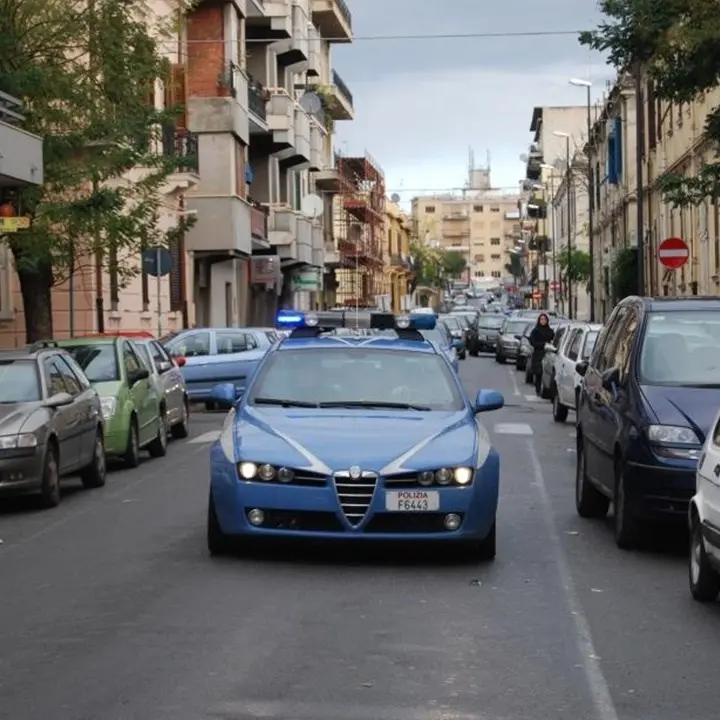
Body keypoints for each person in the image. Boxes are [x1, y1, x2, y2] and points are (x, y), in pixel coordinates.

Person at [529, 313, 554, 395]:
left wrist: (549, 346)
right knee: (538, 373)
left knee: (547, 372)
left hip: (548, 353)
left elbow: (553, 340)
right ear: (539, 320)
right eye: (541, 319)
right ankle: (538, 389)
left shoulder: (550, 331)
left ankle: (547, 389)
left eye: (544, 319)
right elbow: (532, 342)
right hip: (538, 353)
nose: (543, 321)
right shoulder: (535, 331)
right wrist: (542, 345)